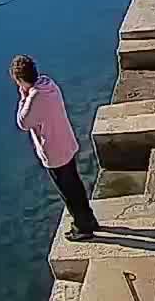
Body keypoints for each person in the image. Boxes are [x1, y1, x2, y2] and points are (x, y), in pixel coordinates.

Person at [12, 55, 101, 242]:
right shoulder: (49, 84)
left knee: (68, 192)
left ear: (20, 80)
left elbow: (23, 122)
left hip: (54, 152)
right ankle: (88, 219)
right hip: (67, 143)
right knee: (75, 185)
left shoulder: (35, 97)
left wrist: (22, 97)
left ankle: (82, 227)